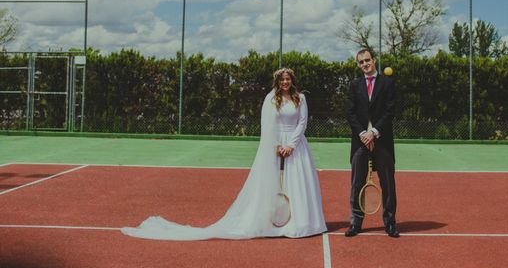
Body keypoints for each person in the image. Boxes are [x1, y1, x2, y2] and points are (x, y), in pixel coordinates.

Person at [121, 68, 327, 240]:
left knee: (298, 182)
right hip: (274, 146)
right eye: (282, 79)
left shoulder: (301, 98)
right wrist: (274, 145)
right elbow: (266, 124)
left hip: (296, 146)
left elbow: (302, 122)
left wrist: (291, 144)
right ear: (277, 81)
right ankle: (272, 223)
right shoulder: (270, 98)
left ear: (292, 80)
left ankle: (300, 223)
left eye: (288, 79)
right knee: (272, 183)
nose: (285, 82)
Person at [345, 49, 399, 238]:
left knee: (388, 184)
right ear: (358, 65)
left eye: (367, 60)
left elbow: (390, 111)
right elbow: (350, 113)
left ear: (374, 60)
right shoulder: (354, 85)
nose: (365, 64)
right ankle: (355, 223)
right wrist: (362, 134)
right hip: (360, 142)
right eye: (361, 62)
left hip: (382, 141)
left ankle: (390, 223)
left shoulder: (387, 83)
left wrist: (374, 132)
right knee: (357, 183)